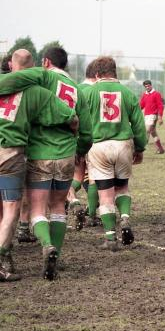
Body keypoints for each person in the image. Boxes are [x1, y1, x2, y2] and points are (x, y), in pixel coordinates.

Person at [0, 48, 93, 280]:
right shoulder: (72, 90)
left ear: (46, 62)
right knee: (57, 206)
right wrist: (79, 150)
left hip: (38, 151)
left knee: (35, 209)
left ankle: (40, 245)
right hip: (62, 154)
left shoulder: (42, 79)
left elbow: (17, 81)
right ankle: (53, 253)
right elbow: (79, 124)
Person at [86, 57, 147, 251]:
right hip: (123, 145)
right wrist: (140, 148)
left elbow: (80, 123)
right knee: (122, 188)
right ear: (115, 72)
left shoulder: (88, 92)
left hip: (99, 146)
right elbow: (139, 125)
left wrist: (80, 149)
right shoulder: (128, 93)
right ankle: (126, 219)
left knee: (105, 195)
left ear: (97, 74)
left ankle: (111, 238)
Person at [66, 60, 101, 229]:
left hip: (74, 140)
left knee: (77, 178)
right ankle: (93, 215)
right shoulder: (97, 90)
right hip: (94, 141)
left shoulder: (75, 88)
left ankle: (71, 199)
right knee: (94, 179)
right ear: (97, 75)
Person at [139, 80, 165, 154]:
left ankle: (141, 149)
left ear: (151, 85)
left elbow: (160, 106)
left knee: (147, 131)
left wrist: (160, 117)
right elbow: (141, 105)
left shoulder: (156, 94)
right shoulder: (144, 94)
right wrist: (135, 111)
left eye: (148, 86)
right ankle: (160, 149)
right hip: (147, 116)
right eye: (145, 86)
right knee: (153, 133)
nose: (147, 87)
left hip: (153, 115)